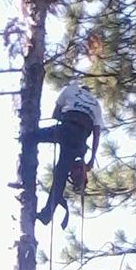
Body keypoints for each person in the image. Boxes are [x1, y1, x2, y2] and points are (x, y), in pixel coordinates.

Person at [31, 81, 103, 228]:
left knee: (30, 137)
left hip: (66, 130)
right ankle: (47, 214)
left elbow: (55, 114)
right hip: (80, 140)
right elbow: (96, 132)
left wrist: (62, 119)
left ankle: (25, 178)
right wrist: (91, 159)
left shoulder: (70, 89)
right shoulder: (96, 103)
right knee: (60, 177)